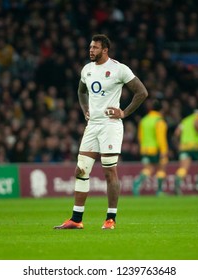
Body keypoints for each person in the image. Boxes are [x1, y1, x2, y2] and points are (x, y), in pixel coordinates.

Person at [54, 34, 148, 230]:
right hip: (93, 125)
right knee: (81, 170)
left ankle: (110, 218)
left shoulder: (119, 69)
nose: (91, 50)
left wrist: (123, 112)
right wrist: (84, 109)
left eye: (95, 48)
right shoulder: (86, 70)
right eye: (90, 47)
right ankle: (76, 219)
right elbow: (81, 91)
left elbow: (142, 92)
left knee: (109, 171)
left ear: (105, 50)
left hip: (110, 126)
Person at [132, 99, 168, 196]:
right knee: (161, 169)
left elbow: (139, 137)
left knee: (148, 169)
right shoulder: (159, 121)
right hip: (155, 149)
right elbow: (161, 138)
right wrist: (164, 151)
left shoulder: (143, 120)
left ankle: (137, 182)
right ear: (161, 110)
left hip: (144, 149)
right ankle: (159, 191)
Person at [173, 109, 198, 195]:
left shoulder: (185, 120)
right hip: (195, 146)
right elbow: (196, 124)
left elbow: (177, 132)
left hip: (184, 147)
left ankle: (177, 184)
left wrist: (177, 144)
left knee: (184, 167)